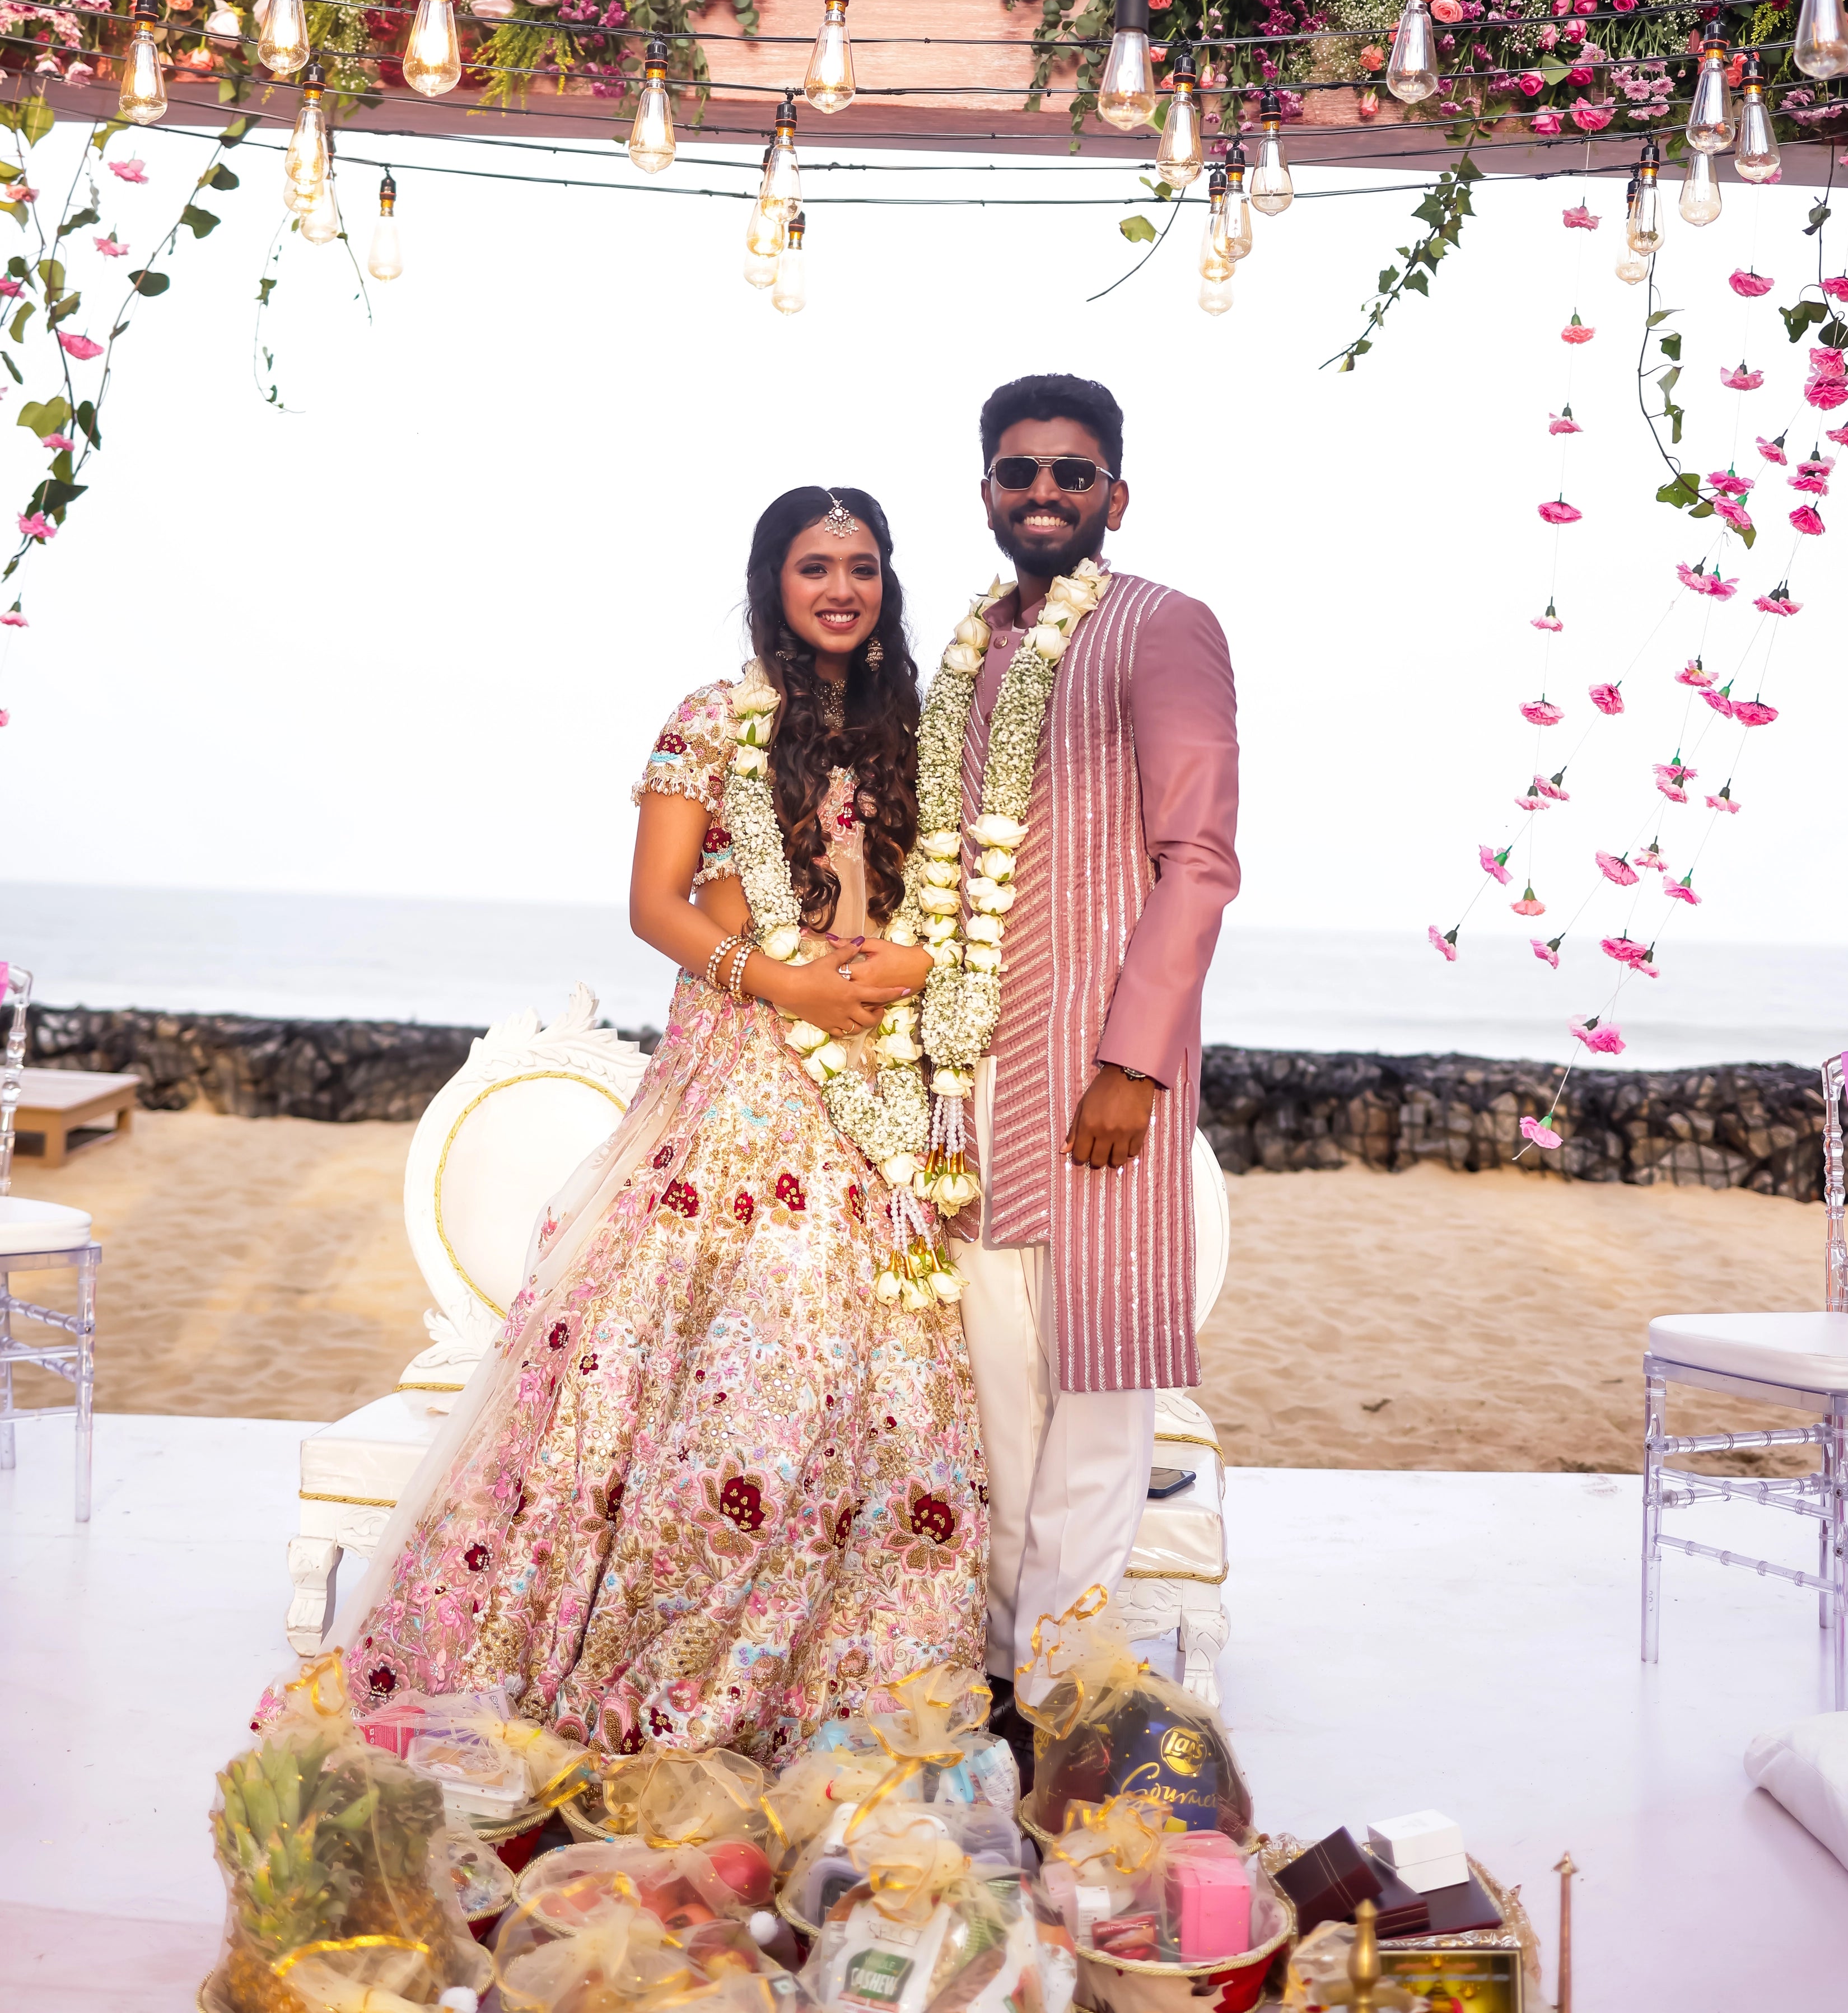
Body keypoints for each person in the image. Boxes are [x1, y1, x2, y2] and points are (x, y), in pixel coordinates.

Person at [338, 486, 986, 1763]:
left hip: (871, 1077)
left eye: (862, 565)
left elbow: (958, 896)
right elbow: (655, 902)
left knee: (871, 1362)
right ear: (772, 581)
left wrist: (902, 965)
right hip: (741, 1073)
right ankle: (636, 1641)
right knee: (707, 1350)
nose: (841, 588)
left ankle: (835, 1670)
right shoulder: (712, 717)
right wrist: (780, 979)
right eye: (815, 566)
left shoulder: (919, 729)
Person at [948, 374, 1240, 1732]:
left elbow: (1198, 860)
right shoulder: (961, 654)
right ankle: (1009, 1678)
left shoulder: (1160, 629)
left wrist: (1133, 1063)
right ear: (990, 491)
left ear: (1115, 493)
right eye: (1021, 473)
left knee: (1100, 1394)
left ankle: (1061, 1694)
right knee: (1000, 1402)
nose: (1045, 494)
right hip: (967, 1082)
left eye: (1072, 473)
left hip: (1097, 1076)